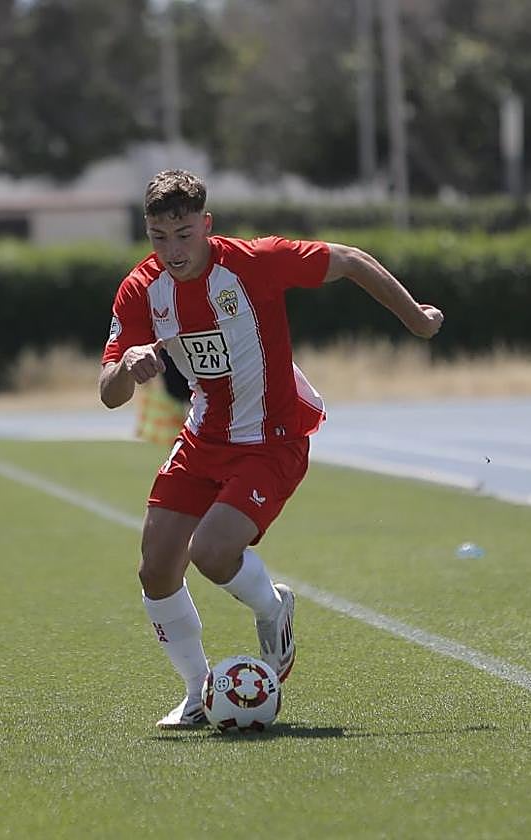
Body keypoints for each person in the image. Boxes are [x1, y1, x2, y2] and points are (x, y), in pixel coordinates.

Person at [99, 169, 443, 728]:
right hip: (203, 436)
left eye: (184, 234)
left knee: (211, 552)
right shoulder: (141, 290)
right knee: (155, 569)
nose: (173, 250)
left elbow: (351, 259)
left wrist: (418, 321)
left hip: (273, 439)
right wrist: (128, 370)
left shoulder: (255, 262)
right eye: (160, 238)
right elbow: (109, 393)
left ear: (205, 225)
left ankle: (272, 607)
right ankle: (195, 692)